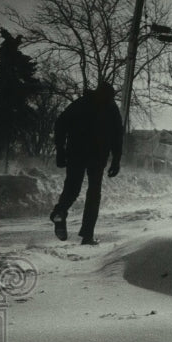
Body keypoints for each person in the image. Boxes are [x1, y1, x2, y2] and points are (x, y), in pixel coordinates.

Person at [49, 81, 123, 245]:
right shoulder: (110, 108)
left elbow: (61, 123)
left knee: (73, 188)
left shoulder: (82, 103)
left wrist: (60, 149)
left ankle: (60, 212)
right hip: (96, 156)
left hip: (77, 153)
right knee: (93, 193)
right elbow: (118, 135)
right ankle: (87, 235)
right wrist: (116, 159)